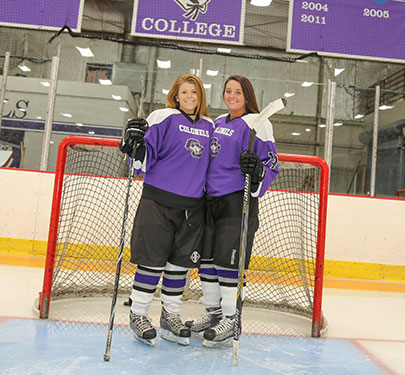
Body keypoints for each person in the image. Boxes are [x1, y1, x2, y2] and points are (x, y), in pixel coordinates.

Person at [119, 74, 214, 347]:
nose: (189, 97)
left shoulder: (209, 126)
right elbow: (144, 158)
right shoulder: (163, 116)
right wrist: (134, 147)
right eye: (184, 92)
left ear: (201, 97)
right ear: (176, 95)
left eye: (194, 92)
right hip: (157, 202)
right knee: (151, 261)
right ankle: (138, 314)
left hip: (192, 208)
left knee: (179, 266)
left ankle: (170, 315)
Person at [185, 75, 280, 347]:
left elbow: (271, 162)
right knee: (206, 261)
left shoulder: (257, 124)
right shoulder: (217, 123)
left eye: (238, 91)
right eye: (228, 91)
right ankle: (214, 314)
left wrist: (258, 169)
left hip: (236, 201)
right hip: (210, 200)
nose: (232, 95)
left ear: (247, 96)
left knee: (228, 262)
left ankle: (231, 319)